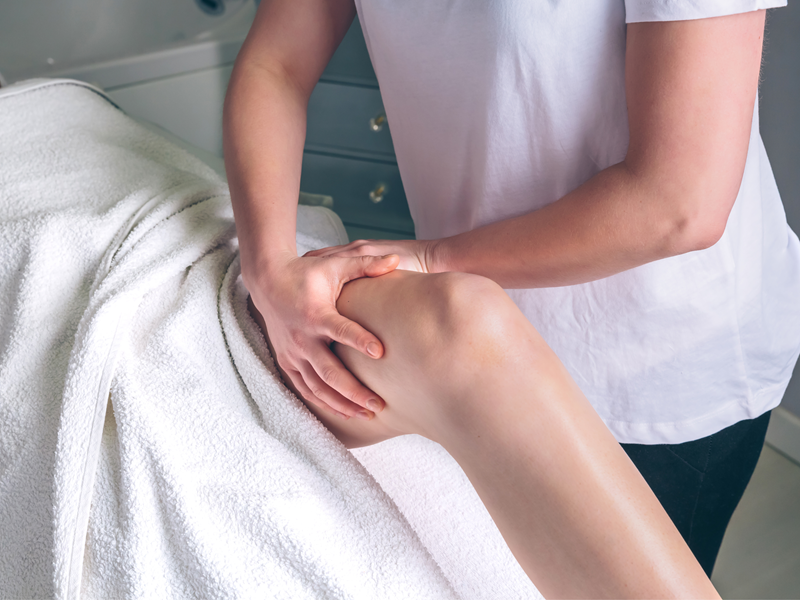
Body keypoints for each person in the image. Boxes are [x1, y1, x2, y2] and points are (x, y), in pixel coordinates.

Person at [223, 0, 800, 590]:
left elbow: (680, 206)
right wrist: (270, 270)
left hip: (658, 360)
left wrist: (428, 258)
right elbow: (276, 64)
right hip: (479, 346)